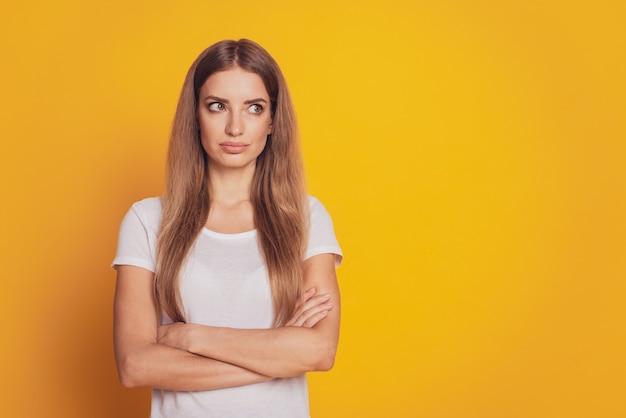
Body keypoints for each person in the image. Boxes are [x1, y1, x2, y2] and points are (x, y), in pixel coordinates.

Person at [112, 39, 342, 418]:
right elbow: (135, 366)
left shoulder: (306, 218)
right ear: (195, 115)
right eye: (217, 106)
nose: (235, 127)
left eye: (254, 108)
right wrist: (277, 352)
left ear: (272, 122)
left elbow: (319, 352)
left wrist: (194, 337)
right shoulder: (147, 220)